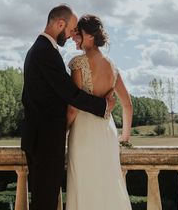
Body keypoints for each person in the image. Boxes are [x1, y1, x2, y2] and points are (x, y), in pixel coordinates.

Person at [21, 5, 116, 210]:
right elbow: (70, 94)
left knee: (44, 200)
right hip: (45, 141)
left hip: (41, 139)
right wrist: (103, 105)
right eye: (71, 29)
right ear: (60, 24)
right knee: (44, 202)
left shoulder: (41, 49)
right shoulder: (44, 51)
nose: (73, 34)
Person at [65, 14, 133, 210]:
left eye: (79, 34)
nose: (74, 38)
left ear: (91, 37)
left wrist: (63, 131)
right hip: (107, 132)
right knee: (108, 183)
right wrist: (125, 136)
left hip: (83, 132)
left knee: (85, 184)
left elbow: (73, 107)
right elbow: (127, 104)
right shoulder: (113, 66)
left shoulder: (78, 63)